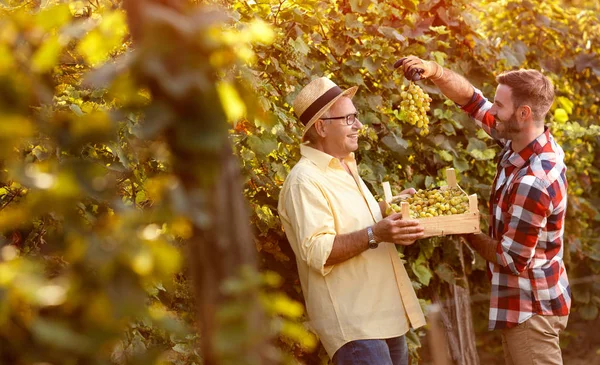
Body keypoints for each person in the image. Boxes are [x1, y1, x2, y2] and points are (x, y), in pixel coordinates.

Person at [397, 56, 571, 365]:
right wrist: (435, 70)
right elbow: (472, 100)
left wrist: (461, 227)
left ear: (523, 113)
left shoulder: (533, 180)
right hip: (526, 303)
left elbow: (511, 258)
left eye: (499, 106)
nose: (492, 111)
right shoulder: (526, 142)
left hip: (531, 309)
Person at [277, 76, 426, 365]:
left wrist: (389, 210)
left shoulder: (344, 167)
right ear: (321, 127)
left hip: (384, 315)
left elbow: (355, 222)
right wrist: (378, 233)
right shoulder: (305, 180)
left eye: (356, 117)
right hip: (355, 325)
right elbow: (318, 252)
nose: (359, 126)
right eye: (349, 118)